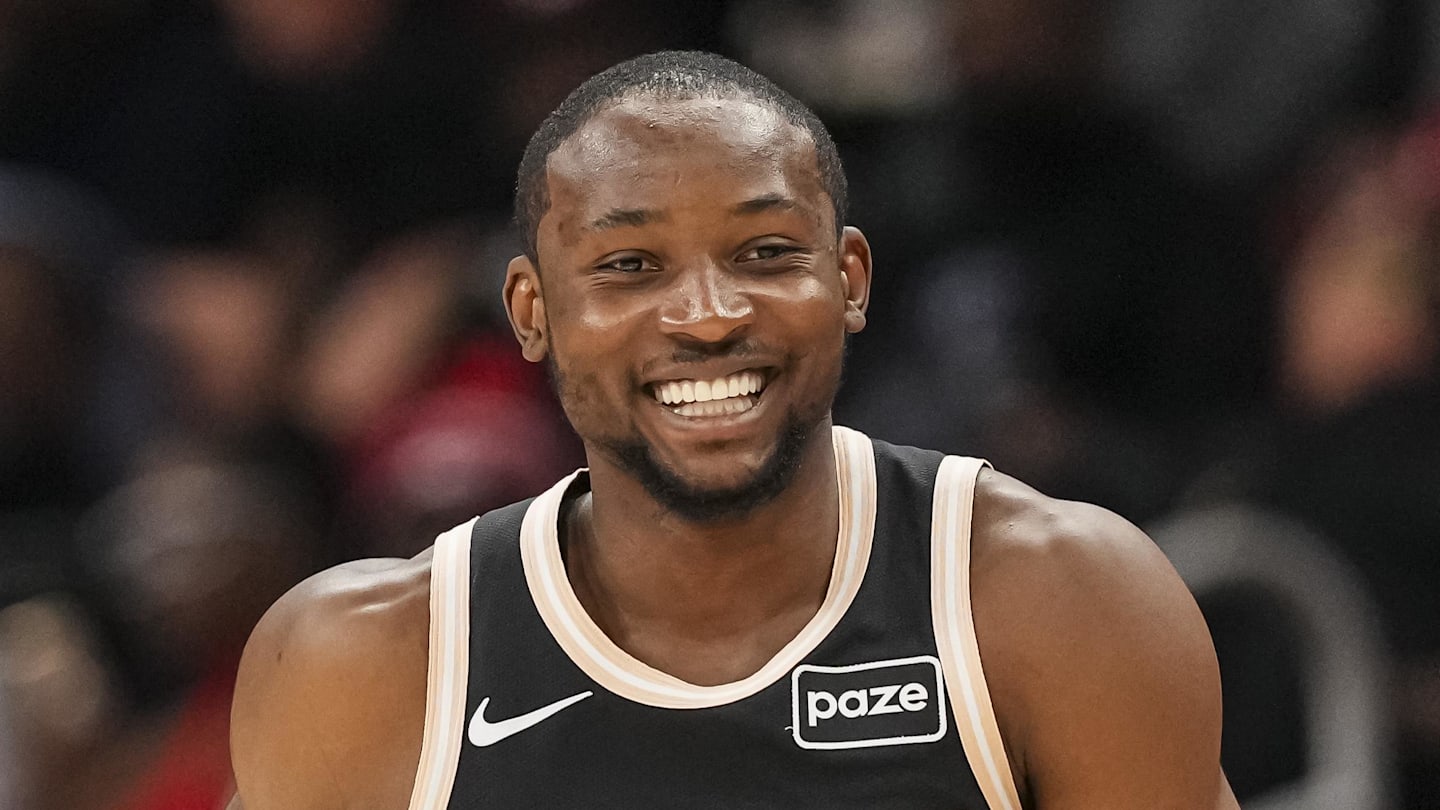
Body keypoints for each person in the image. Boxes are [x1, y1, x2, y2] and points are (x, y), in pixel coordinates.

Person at [229, 51, 1238, 809]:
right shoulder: (360, 667)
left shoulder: (1057, 601)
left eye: (763, 251)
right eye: (630, 266)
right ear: (532, 312)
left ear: (848, 281)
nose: (708, 314)